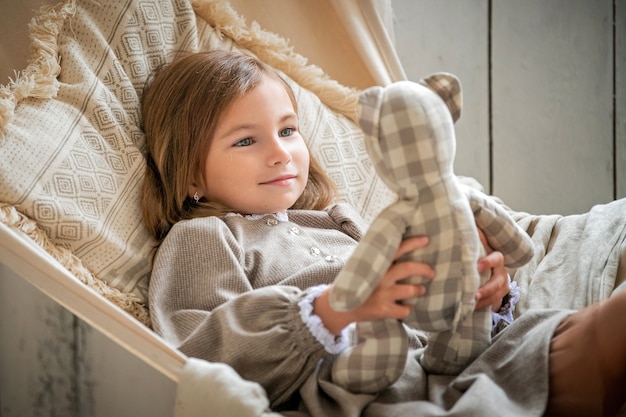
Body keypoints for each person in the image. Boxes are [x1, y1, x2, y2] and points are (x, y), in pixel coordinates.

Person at [141, 50, 626, 417]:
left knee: (540, 328)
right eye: (246, 140)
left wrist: (483, 299)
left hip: (449, 366)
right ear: (190, 176)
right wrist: (332, 309)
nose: (280, 153)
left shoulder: (340, 220)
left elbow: (419, 310)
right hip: (369, 395)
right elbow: (195, 354)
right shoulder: (204, 237)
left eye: (288, 131)